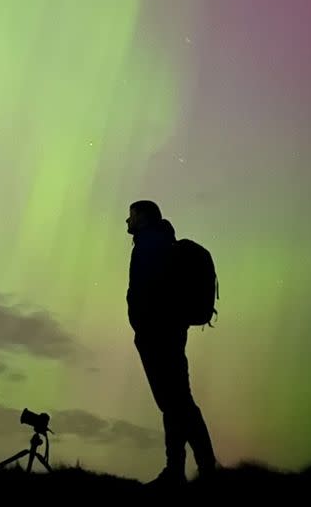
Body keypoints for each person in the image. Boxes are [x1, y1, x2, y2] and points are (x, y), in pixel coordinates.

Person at [125, 200, 218, 488]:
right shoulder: (161, 242)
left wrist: (144, 322)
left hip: (159, 334)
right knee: (175, 403)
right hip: (168, 332)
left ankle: (202, 469)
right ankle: (178, 469)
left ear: (142, 218)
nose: (127, 222)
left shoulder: (150, 244)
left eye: (131, 216)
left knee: (178, 403)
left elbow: (149, 291)